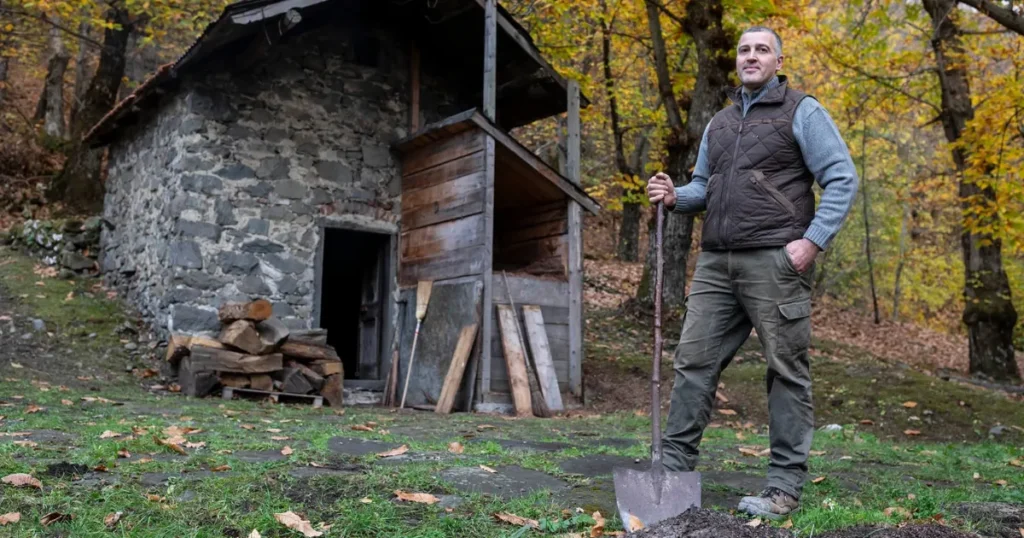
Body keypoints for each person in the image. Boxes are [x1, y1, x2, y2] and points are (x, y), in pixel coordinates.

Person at [646, 26, 858, 519]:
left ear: (778, 61)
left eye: (762, 49)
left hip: (775, 262)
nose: (751, 56)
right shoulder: (718, 123)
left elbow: (841, 177)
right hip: (717, 262)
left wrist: (812, 241)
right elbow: (705, 185)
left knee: (785, 371)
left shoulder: (801, 110)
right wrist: (677, 196)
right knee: (692, 363)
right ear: (736, 60)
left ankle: (783, 487)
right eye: (744, 49)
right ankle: (672, 477)